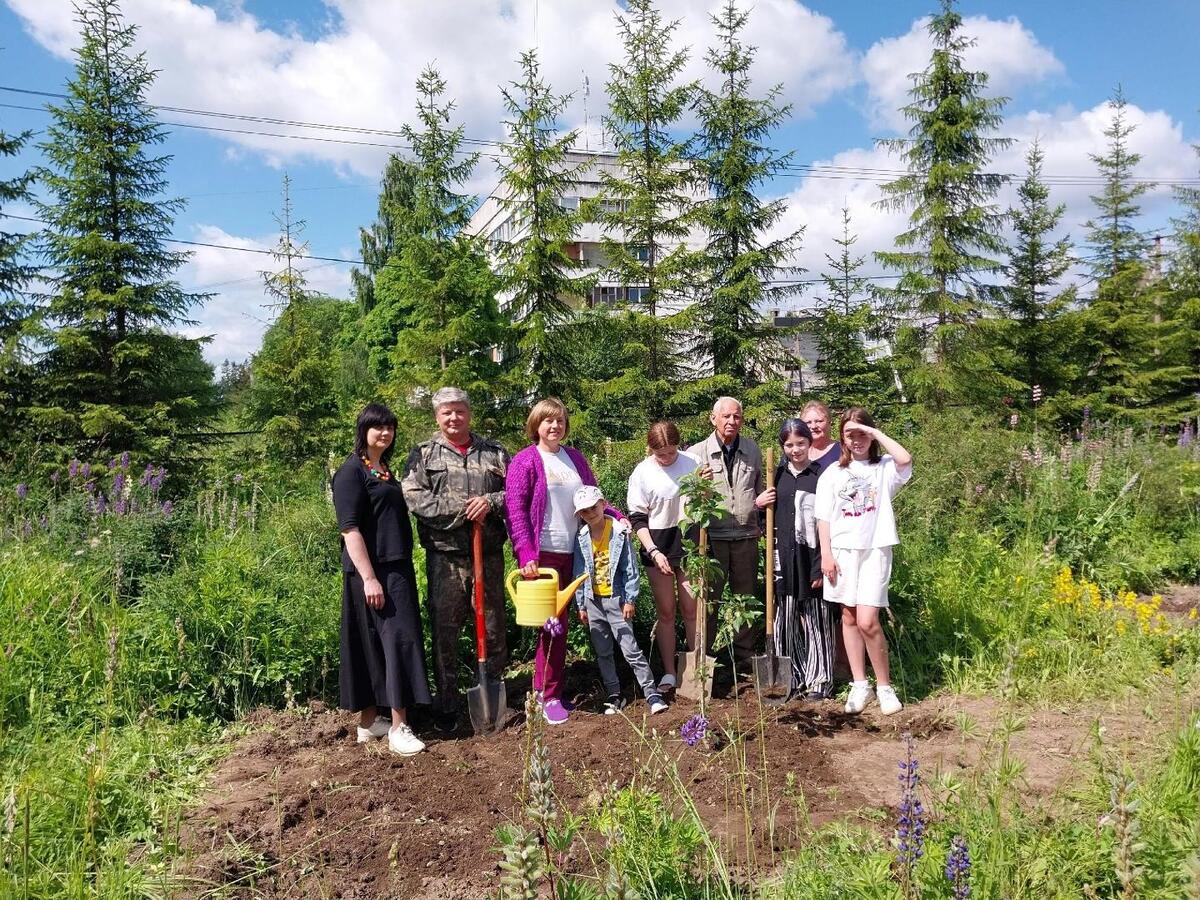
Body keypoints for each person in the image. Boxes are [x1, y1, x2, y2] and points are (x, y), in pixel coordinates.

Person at [505, 397, 624, 726]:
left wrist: (618, 517)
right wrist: (525, 553)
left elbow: (594, 498)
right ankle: (547, 695)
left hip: (577, 553)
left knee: (568, 624)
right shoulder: (525, 461)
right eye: (548, 421)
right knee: (551, 627)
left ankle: (551, 689)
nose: (554, 426)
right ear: (536, 425)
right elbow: (515, 512)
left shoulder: (574, 459)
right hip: (543, 557)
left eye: (559, 421)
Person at [401, 387, 511, 734]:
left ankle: (492, 693)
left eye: (459, 411)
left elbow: (518, 492)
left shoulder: (495, 452)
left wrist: (490, 502)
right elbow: (416, 500)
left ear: (469, 414)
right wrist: (464, 511)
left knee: (493, 627)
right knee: (445, 631)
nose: (454, 418)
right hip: (446, 559)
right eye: (447, 412)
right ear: (437, 416)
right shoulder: (422, 455)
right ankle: (447, 703)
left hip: (489, 556)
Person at [332, 403, 432, 755]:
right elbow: (350, 529)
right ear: (364, 430)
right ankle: (399, 727)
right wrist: (370, 578)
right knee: (397, 641)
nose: (385, 433)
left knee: (376, 643)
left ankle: (370, 722)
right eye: (378, 427)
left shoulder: (383, 470)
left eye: (390, 427)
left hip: (395, 565)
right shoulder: (350, 473)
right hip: (374, 572)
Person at [814, 407, 913, 716]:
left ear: (870, 435)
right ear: (842, 438)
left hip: (875, 550)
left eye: (861, 434)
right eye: (849, 434)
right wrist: (826, 554)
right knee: (849, 617)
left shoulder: (883, 467)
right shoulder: (833, 473)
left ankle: (884, 686)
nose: (856, 440)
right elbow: (823, 518)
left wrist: (877, 434)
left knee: (869, 620)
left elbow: (906, 459)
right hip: (842, 552)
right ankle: (860, 684)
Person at [687, 397, 772, 671]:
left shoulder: (752, 450)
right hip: (712, 540)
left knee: (745, 597)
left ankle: (743, 656)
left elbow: (758, 489)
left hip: (746, 536)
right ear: (713, 419)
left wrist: (762, 503)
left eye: (736, 417)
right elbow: (688, 502)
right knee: (709, 602)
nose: (731, 422)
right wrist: (700, 485)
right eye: (725, 416)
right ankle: (706, 658)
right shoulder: (697, 454)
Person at [571, 485, 669, 716]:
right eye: (584, 511)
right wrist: (581, 604)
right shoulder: (582, 538)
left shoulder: (618, 533)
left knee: (630, 649)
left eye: (593, 507)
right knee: (603, 650)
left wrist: (630, 599)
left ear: (603, 504)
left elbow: (630, 569)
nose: (590, 513)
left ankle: (651, 692)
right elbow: (579, 572)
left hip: (616, 599)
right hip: (593, 601)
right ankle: (614, 694)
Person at [626, 421, 700, 696]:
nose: (668, 458)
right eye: (662, 455)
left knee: (692, 610)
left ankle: (695, 669)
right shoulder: (642, 472)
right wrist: (654, 552)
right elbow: (637, 518)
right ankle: (669, 671)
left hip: (689, 544)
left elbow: (704, 500)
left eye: (672, 452)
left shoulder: (693, 462)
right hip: (657, 545)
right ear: (651, 450)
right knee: (667, 612)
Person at [771, 419, 839, 700]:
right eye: (789, 444)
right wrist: (760, 503)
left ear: (810, 444)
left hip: (813, 557)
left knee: (817, 618)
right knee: (784, 619)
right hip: (783, 559)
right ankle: (791, 676)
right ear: (782, 447)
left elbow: (830, 523)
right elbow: (766, 517)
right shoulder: (776, 476)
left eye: (801, 443)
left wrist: (823, 562)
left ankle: (820, 678)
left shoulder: (821, 476)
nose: (795, 449)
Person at [802, 400, 841, 470]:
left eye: (819, 421)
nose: (813, 426)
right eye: (808, 422)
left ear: (829, 422)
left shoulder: (842, 451)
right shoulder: (795, 451)